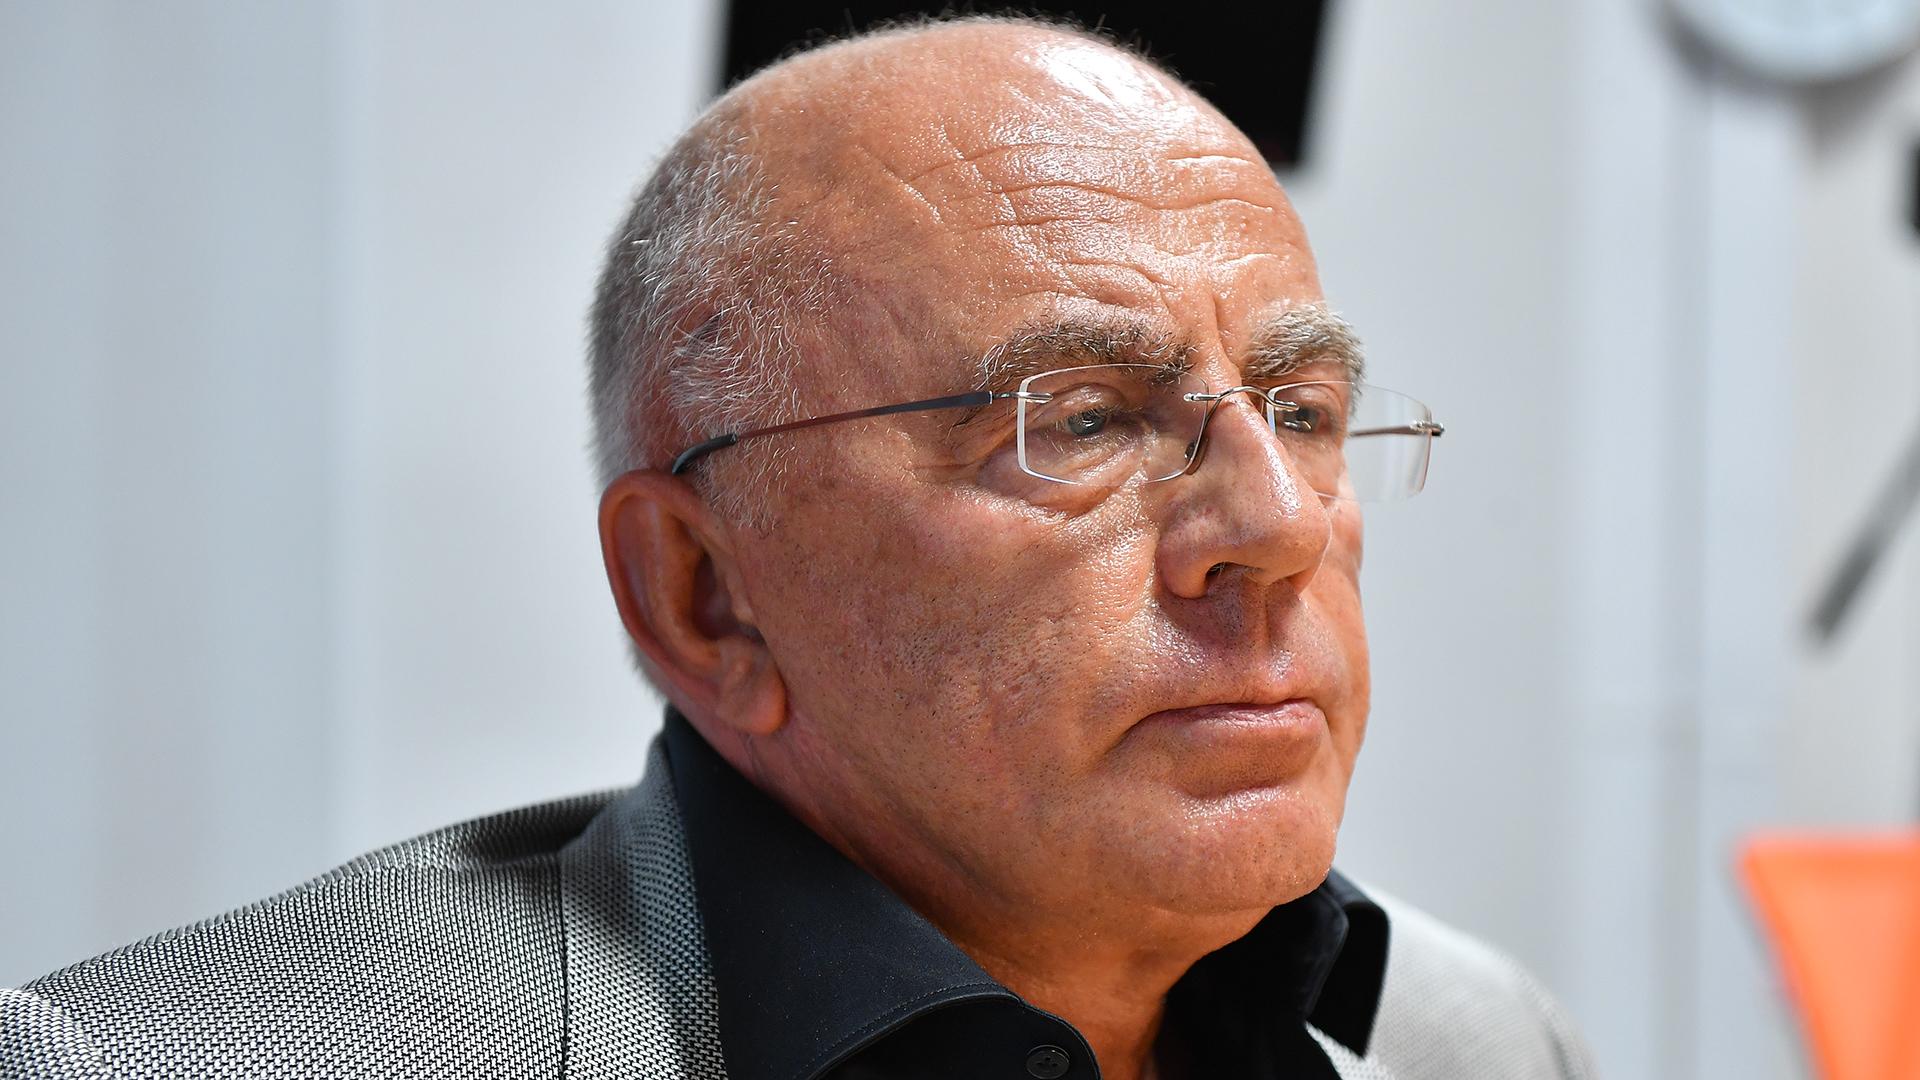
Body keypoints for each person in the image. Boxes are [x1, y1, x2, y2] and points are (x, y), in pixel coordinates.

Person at [1, 17, 1593, 1080]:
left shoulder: (1479, 1040)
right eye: (1083, 422)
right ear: (706, 598)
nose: (1278, 529)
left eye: (1302, 411)